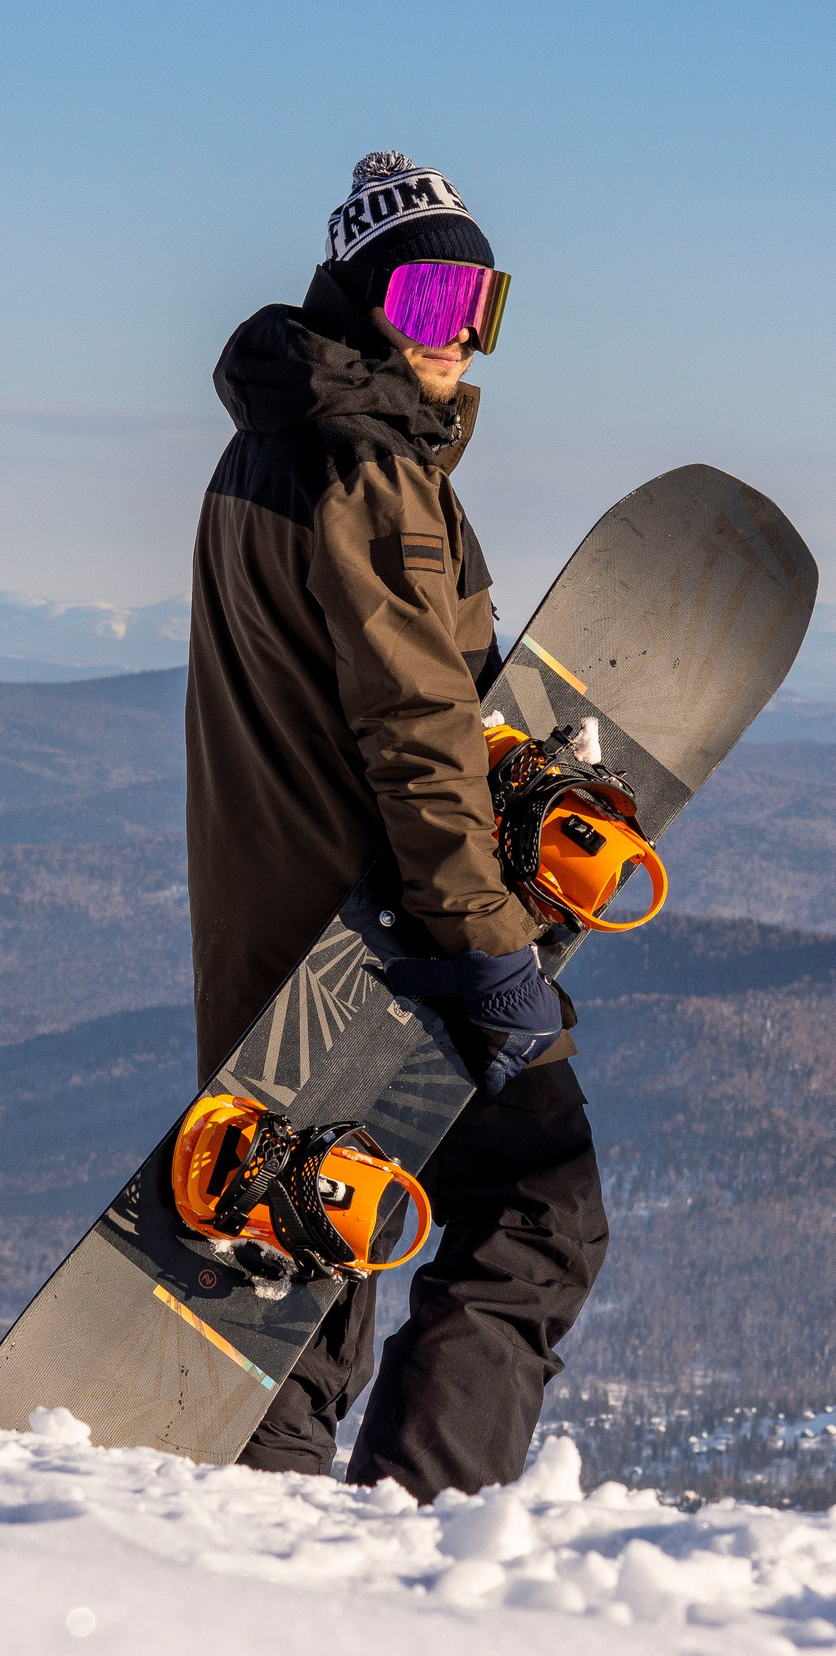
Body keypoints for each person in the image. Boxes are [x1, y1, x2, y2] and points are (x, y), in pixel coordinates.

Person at [185, 151, 607, 1501]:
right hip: (396, 949)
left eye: (480, 308)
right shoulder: (372, 469)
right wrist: (492, 947)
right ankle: (416, 1526)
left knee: (305, 1254)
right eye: (428, 298)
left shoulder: (260, 449)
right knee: (540, 1208)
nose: (453, 338)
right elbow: (416, 732)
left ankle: (280, 1535)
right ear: (364, 299)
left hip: (276, 946)